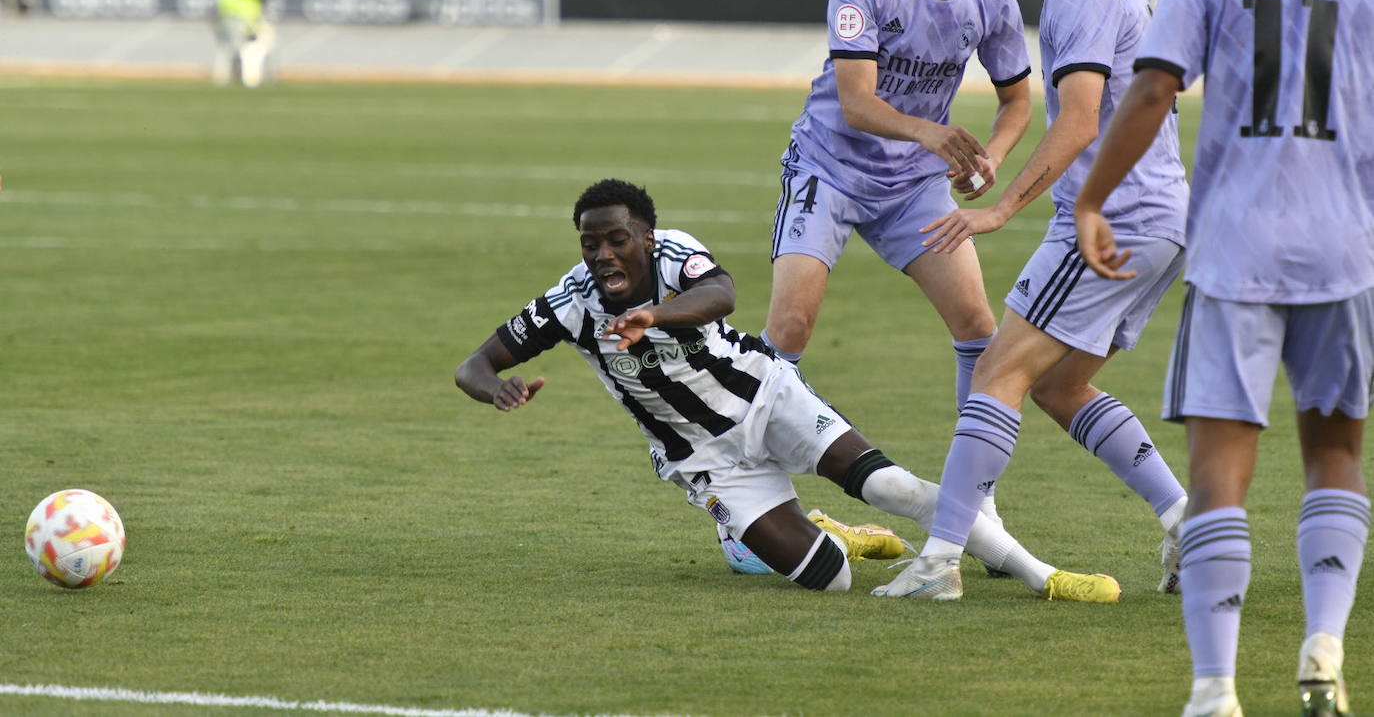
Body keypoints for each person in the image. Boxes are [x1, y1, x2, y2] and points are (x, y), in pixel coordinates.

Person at [455, 178, 1121, 602]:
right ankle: (837, 534)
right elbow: (473, 365)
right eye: (590, 244)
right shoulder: (571, 304)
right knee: (829, 578)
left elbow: (721, 293)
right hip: (705, 461)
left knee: (891, 487)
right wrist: (498, 391)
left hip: (767, 399)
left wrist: (656, 315)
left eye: (616, 240)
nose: (602, 256)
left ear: (646, 238)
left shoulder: (673, 254)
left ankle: (1045, 577)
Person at [1073, 0, 1374, 713]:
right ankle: (1323, 641)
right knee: (1333, 455)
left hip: (1238, 243)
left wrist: (1092, 196)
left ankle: (1214, 687)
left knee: (1218, 478)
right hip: (1344, 248)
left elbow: (1156, 85)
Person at [890, 0, 1190, 602]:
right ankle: (1186, 516)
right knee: (1060, 386)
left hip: (1111, 221)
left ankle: (939, 564)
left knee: (998, 373)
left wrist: (1000, 208)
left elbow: (1081, 119)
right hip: (1158, 219)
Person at [759, 0, 1034, 548]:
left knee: (979, 327)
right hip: (829, 166)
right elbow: (856, 103)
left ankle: (978, 500)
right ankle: (754, 496)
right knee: (789, 328)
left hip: (913, 186)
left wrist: (991, 160)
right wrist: (935, 134)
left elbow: (1016, 101)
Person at [213, 0, 274, 89]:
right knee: (250, 52)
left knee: (226, 53)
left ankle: (221, 78)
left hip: (227, 29)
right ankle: (250, 79)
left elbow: (218, 11)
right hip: (241, 31)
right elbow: (252, 18)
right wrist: (252, 33)